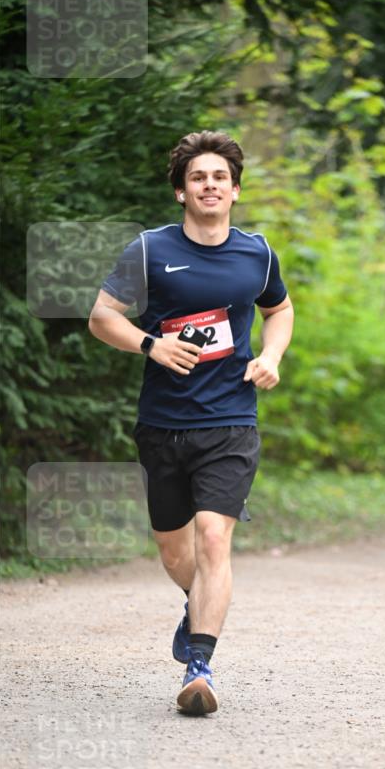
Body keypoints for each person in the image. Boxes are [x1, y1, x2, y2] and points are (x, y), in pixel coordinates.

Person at [89, 130, 294, 716]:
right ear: (181, 191)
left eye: (220, 178)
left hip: (231, 420)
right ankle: (195, 601)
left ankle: (199, 666)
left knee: (213, 537)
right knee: (176, 552)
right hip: (162, 423)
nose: (210, 186)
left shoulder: (258, 253)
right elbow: (102, 317)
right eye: (199, 178)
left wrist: (271, 357)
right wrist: (151, 344)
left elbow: (278, 310)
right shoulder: (150, 250)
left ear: (235, 190)